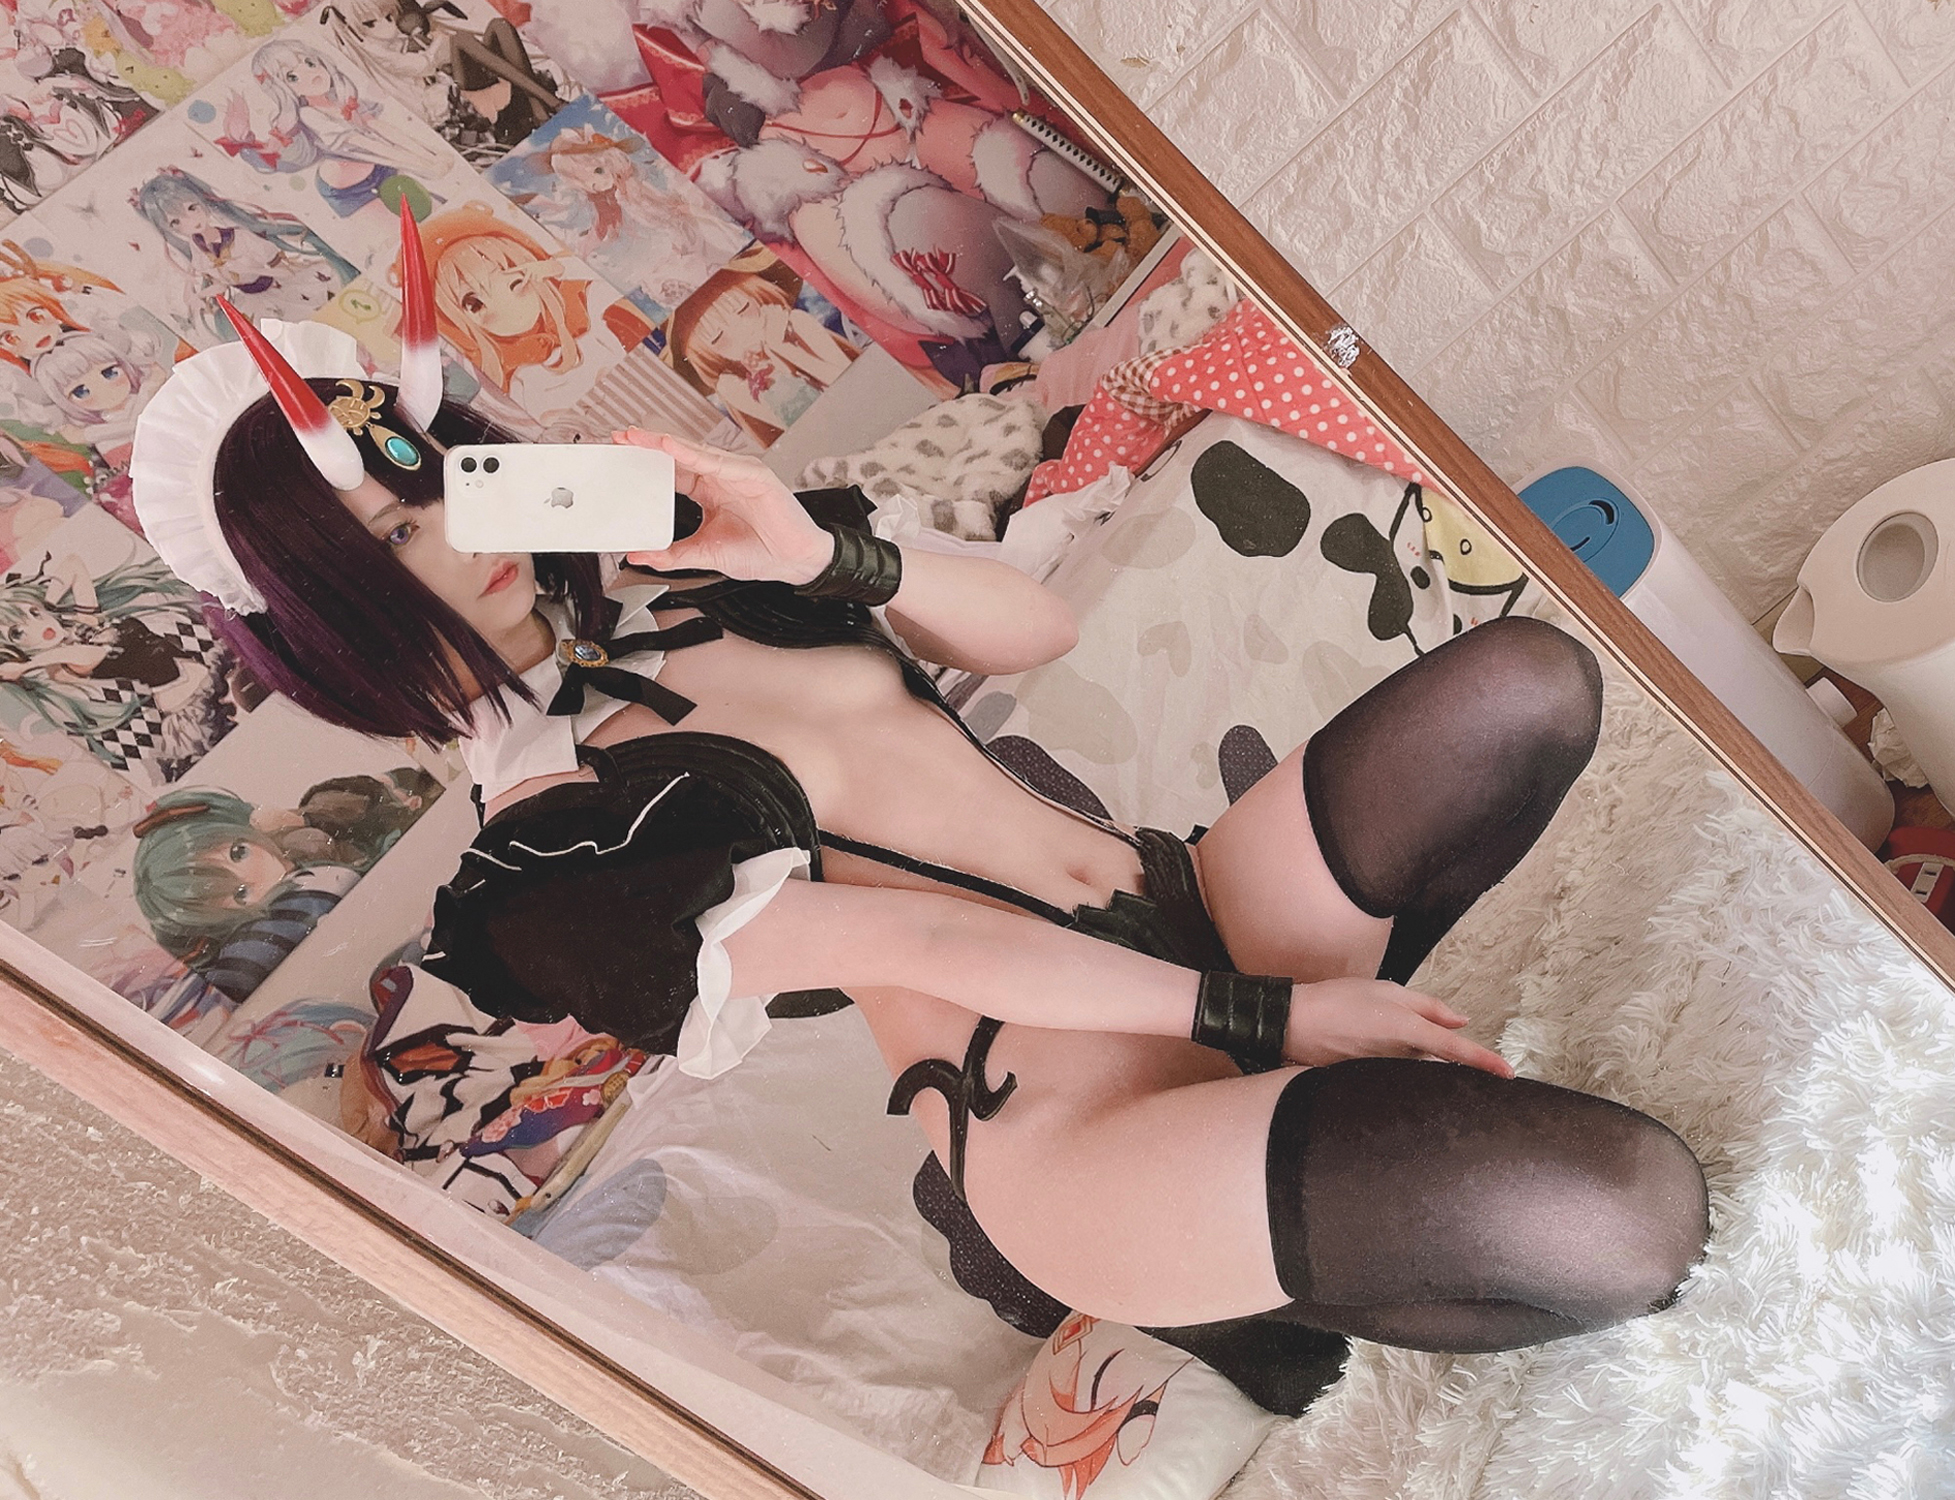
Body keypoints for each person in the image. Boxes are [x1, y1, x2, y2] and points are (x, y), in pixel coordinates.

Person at [125, 208, 1712, 1416]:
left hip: (1186, 903)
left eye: (434, 492)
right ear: (335, 630)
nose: (455, 545)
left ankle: (1327, 1147)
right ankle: (1258, 1264)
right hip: (1066, 1119)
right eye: (391, 550)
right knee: (1621, 1221)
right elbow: (919, 940)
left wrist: (822, 551)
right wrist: (1271, 1016)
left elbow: (1037, 629)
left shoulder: (702, 580)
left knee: (1526, 686)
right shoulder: (538, 860)